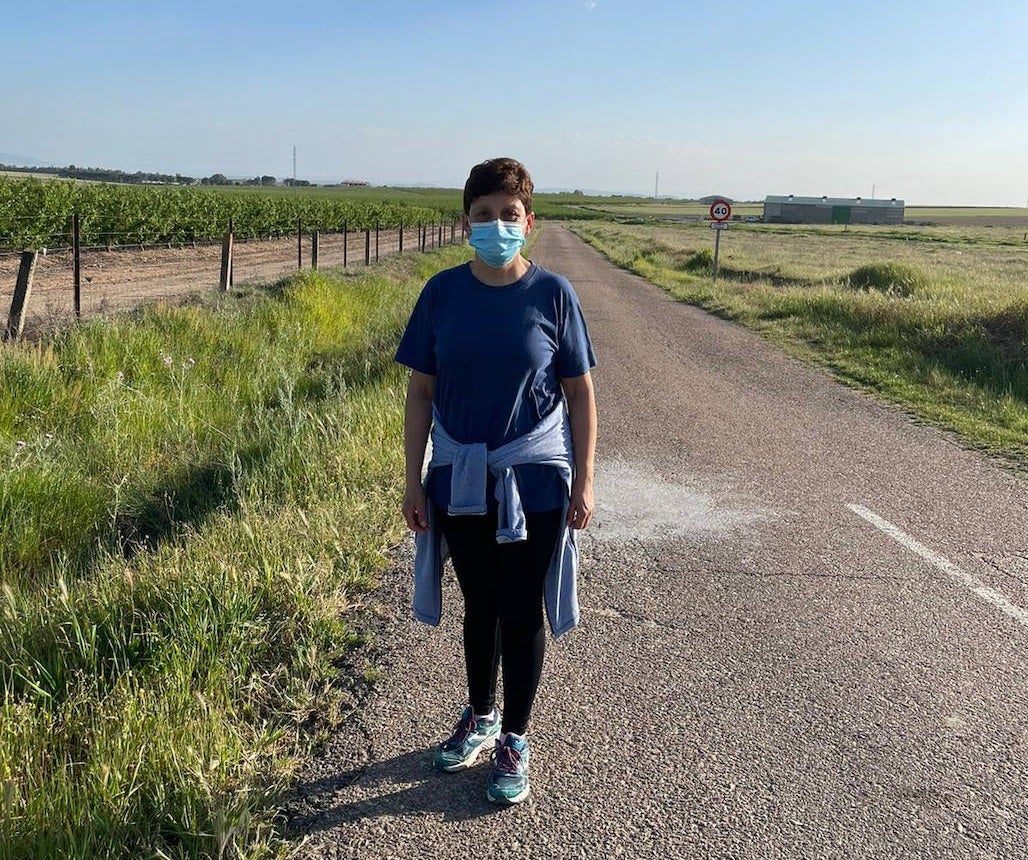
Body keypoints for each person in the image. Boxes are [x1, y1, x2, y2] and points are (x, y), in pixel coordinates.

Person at [394, 157, 597, 805]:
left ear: (528, 223)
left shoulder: (553, 296)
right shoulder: (441, 295)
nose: (497, 225)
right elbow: (421, 392)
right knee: (478, 604)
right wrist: (412, 479)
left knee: (519, 610)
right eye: (484, 215)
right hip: (459, 478)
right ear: (466, 224)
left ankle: (514, 736)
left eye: (509, 215)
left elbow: (581, 394)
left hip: (536, 482)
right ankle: (479, 716)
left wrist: (584, 478)